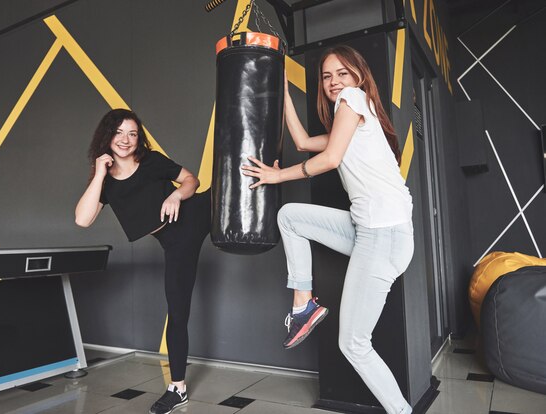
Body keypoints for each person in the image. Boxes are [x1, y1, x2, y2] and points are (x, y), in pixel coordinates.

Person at [241, 45, 414, 414]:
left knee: (354, 344)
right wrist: (283, 95)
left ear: (358, 77)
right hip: (369, 231)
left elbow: (330, 159)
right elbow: (304, 143)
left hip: (383, 237)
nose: (334, 82)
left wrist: (276, 176)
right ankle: (303, 305)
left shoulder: (353, 99)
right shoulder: (348, 120)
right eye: (327, 76)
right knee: (290, 216)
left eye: (342, 73)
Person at [75, 109, 210, 414]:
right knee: (177, 314)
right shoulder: (106, 183)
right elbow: (83, 219)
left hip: (199, 213)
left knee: (242, 179)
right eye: (119, 132)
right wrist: (98, 173)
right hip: (175, 244)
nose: (126, 140)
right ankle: (178, 389)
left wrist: (177, 197)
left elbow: (192, 180)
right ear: (107, 136)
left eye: (132, 133)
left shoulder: (152, 160)